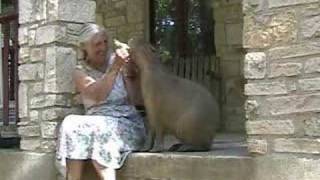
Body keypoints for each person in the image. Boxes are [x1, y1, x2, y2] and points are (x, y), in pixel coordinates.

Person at [56, 23, 146, 180]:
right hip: (95, 123)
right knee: (70, 123)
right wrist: (114, 69)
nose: (103, 47)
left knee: (100, 128)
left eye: (105, 42)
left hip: (125, 122)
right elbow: (97, 96)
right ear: (84, 48)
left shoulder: (119, 62)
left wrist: (131, 73)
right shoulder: (80, 72)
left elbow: (137, 100)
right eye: (97, 44)